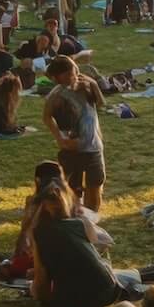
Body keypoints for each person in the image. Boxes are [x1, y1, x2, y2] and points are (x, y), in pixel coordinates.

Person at [29, 179, 148, 307]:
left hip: (79, 298)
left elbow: (41, 280)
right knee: (131, 276)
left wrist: (37, 294)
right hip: (108, 289)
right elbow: (91, 254)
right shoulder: (80, 224)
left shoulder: (39, 232)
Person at [42, 56, 106, 211]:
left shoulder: (86, 85)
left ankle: (92, 216)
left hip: (93, 145)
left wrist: (95, 86)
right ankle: (75, 215)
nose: (56, 80)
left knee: (95, 184)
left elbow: (101, 103)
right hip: (72, 149)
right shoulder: (57, 94)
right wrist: (59, 138)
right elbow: (46, 116)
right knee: (71, 187)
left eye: (59, 76)